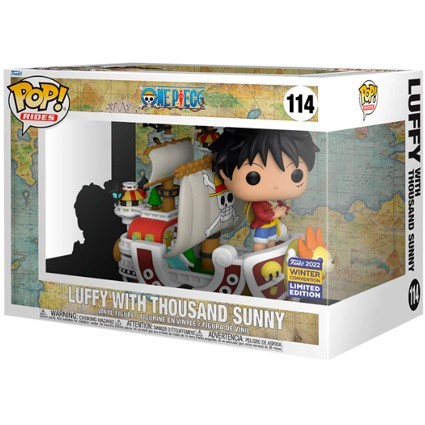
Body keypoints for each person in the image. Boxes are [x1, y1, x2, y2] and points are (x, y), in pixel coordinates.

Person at [209, 128, 319, 251]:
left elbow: (279, 209)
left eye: (296, 175)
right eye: (253, 177)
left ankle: (268, 253)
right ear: (224, 174)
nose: (276, 185)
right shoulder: (258, 204)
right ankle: (259, 254)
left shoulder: (275, 201)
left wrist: (283, 209)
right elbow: (261, 214)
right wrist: (275, 213)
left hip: (272, 225)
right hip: (262, 227)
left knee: (272, 241)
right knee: (261, 242)